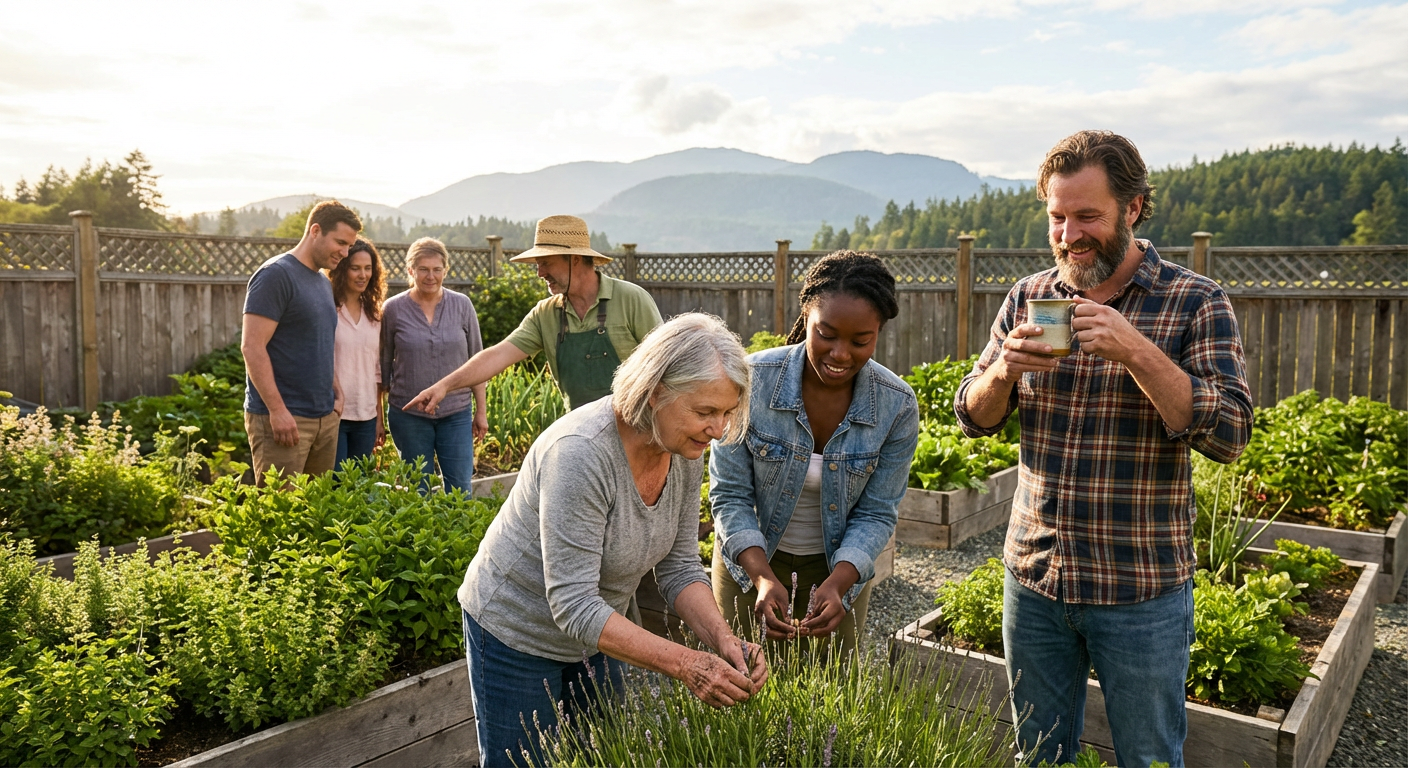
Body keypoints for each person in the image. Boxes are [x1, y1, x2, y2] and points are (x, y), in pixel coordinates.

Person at [955, 130, 1253, 768]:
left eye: (1087, 216)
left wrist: (1136, 350)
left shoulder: (1195, 302)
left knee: (1148, 758)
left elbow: (1229, 434)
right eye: (1056, 218)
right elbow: (971, 418)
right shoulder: (1029, 297)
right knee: (1038, 757)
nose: (1069, 235)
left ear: (1135, 207)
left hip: (1140, 589)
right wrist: (1003, 372)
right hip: (1034, 580)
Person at [457, 313, 768, 768]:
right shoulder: (581, 453)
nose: (719, 429)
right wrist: (686, 664)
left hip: (598, 633)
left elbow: (679, 566)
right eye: (705, 412)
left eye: (725, 413)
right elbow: (573, 602)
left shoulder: (681, 447)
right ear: (655, 390)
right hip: (515, 632)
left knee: (602, 755)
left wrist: (723, 640)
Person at [709, 251, 919, 658]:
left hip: (835, 574)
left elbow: (877, 512)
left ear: (879, 332)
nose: (841, 354)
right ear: (805, 315)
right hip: (749, 566)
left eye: (861, 341)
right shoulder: (752, 382)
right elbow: (729, 495)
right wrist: (762, 577)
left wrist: (839, 583)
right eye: (826, 334)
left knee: (825, 707)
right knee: (738, 690)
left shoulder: (896, 406)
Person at [403, 214, 662, 416]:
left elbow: (668, 367)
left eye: (546, 263)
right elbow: (497, 355)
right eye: (537, 265)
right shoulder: (546, 314)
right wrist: (444, 386)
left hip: (637, 431)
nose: (539, 273)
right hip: (582, 436)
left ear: (573, 259)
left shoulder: (631, 300)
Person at [241, 200, 361, 485]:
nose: (345, 254)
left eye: (349, 247)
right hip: (285, 421)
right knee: (279, 517)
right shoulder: (275, 275)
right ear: (315, 231)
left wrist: (336, 390)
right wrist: (278, 411)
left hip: (324, 418)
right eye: (340, 243)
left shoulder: (321, 282)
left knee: (315, 514)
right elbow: (252, 347)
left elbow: (320, 342)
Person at [381, 237, 487, 492]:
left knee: (460, 490)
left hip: (456, 412)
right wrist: (377, 417)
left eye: (437, 269)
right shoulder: (393, 309)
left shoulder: (462, 305)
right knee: (419, 491)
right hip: (409, 415)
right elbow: (383, 367)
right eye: (423, 269)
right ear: (410, 270)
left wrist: (480, 412)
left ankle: (460, 533)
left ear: (445, 271)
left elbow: (478, 361)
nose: (431, 276)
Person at [329, 238, 387, 465]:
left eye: (368, 268)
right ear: (342, 269)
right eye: (355, 268)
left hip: (366, 416)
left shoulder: (374, 314)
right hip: (334, 414)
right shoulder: (328, 308)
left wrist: (379, 418)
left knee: (360, 485)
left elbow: (376, 370)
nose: (363, 275)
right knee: (336, 483)